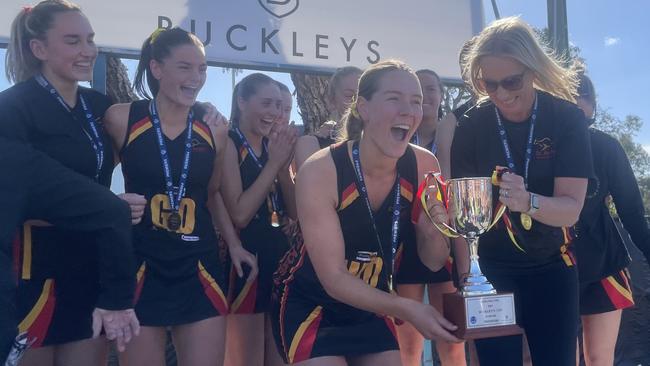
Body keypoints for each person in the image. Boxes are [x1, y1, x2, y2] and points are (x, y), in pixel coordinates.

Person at [271, 59, 460, 365]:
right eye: (394, 98)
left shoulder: (425, 165)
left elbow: (433, 260)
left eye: (416, 101)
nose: (408, 111)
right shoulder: (321, 169)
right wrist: (408, 308)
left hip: (372, 303)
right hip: (312, 305)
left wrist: (432, 231)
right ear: (363, 108)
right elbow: (333, 278)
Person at [0, 1, 137, 364]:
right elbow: (15, 200)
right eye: (73, 41)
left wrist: (203, 112)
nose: (87, 51)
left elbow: (154, 129)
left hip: (93, 271)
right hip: (35, 273)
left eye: (90, 40)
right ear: (39, 49)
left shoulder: (98, 104)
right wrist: (107, 208)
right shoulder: (12, 108)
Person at [451, 17, 593, 365]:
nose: (500, 93)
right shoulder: (469, 123)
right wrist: (466, 278)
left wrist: (528, 201)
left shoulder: (566, 119)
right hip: (492, 271)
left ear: (533, 71)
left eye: (511, 81)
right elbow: (461, 216)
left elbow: (571, 209)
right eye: (489, 84)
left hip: (552, 267)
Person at [100, 27, 236, 366]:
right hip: (139, 264)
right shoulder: (122, 118)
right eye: (185, 67)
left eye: (202, 68)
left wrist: (234, 244)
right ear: (157, 69)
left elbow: (212, 191)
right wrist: (112, 204)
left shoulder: (215, 128)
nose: (196, 78)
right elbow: (91, 182)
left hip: (198, 265)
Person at [0, 138, 140, 365]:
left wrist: (202, 110)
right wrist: (101, 207)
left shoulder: (101, 109)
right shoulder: (18, 108)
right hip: (36, 275)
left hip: (91, 277)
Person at [572, 71, 650, 366]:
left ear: (592, 104)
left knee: (599, 358)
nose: (576, 101)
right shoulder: (540, 147)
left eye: (583, 94)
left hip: (603, 263)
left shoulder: (606, 147)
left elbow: (632, 213)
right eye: (566, 93)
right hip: (551, 264)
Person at [220, 73, 297, 366]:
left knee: (279, 354)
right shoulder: (228, 143)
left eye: (279, 105)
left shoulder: (272, 147)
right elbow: (240, 213)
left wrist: (283, 166)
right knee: (247, 357)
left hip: (277, 256)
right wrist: (275, 164)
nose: (274, 113)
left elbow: (295, 211)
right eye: (266, 103)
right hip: (244, 260)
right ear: (241, 102)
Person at [395, 68, 466, 366]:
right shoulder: (394, 135)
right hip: (403, 245)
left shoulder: (454, 136)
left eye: (431, 89)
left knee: (452, 342)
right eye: (419, 91)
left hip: (447, 241)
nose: (426, 97)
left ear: (440, 94)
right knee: (408, 347)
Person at [294, 66, 362, 170]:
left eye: (365, 95)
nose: (359, 102)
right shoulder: (311, 145)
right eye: (350, 96)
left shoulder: (386, 142)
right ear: (332, 101)